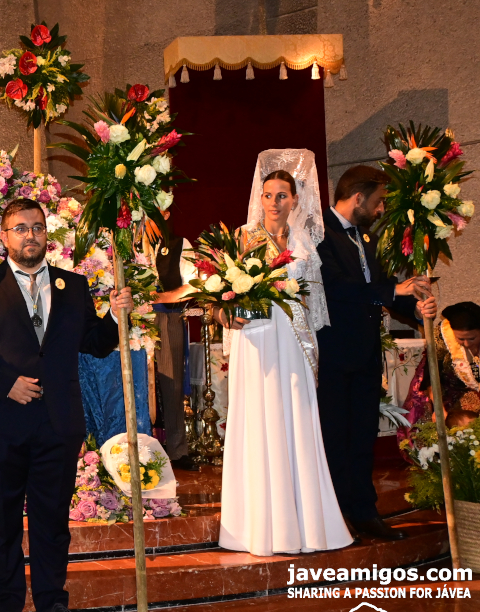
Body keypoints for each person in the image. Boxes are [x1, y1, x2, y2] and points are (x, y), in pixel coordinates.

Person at [0, 198, 131, 612]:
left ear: (47, 233)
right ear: (4, 236)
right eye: (20, 228)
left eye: (37, 227)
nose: (30, 235)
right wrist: (6, 383)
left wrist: (114, 316)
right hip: (0, 422)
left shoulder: (74, 285)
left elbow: (95, 344)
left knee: (52, 521)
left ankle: (52, 605)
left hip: (57, 422)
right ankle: (7, 609)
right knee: (1, 520)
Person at [217, 150, 353, 556]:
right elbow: (223, 295)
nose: (274, 202)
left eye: (282, 195)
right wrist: (225, 313)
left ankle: (307, 524)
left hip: (294, 340)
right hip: (256, 339)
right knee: (260, 420)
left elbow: (315, 303)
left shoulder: (304, 242)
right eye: (268, 195)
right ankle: (258, 526)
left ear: (295, 199)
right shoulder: (244, 237)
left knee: (295, 418)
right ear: (259, 198)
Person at [316, 165, 436, 540]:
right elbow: (334, 288)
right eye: (378, 201)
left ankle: (364, 511)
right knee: (336, 437)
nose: (381, 209)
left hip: (366, 354)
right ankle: (337, 514)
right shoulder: (319, 234)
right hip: (333, 354)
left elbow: (382, 287)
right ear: (358, 198)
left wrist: (415, 307)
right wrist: (393, 292)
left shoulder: (367, 238)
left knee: (363, 435)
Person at [149, 212, 199, 471]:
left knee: (172, 383)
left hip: (167, 317)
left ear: (166, 213)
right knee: (136, 384)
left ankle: (177, 450)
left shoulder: (179, 244)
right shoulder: (124, 244)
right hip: (130, 319)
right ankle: (138, 448)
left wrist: (162, 297)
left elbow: (194, 284)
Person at [401, 301, 480, 429]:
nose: (466, 344)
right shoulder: (443, 337)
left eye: (472, 338)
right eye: (460, 339)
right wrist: (438, 409)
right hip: (443, 391)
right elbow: (432, 377)